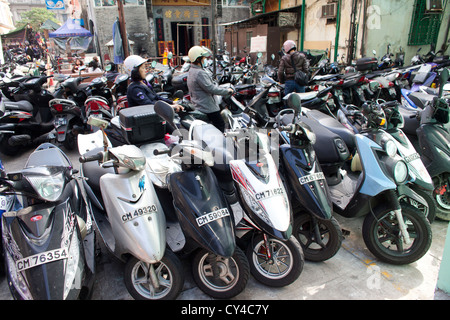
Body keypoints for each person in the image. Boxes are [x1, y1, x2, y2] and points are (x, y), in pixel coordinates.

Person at [186, 46, 233, 132]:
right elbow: (211, 88)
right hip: (207, 106)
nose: (205, 60)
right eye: (203, 58)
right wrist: (227, 91)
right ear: (198, 59)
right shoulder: (199, 73)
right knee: (220, 124)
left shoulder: (192, 70)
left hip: (198, 104)